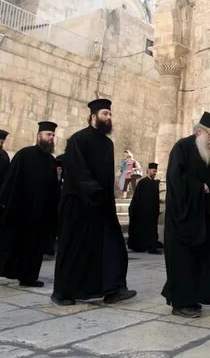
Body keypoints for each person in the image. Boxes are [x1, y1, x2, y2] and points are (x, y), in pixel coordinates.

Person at [52, 99, 136, 306]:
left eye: (110, 114)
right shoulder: (78, 139)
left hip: (102, 205)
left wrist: (106, 198)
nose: (108, 118)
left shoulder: (108, 144)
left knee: (111, 247)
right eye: (105, 114)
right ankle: (62, 293)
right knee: (74, 249)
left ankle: (113, 289)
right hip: (79, 204)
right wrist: (93, 190)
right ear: (93, 116)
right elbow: (77, 170)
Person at [162, 112, 210, 318]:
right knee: (182, 262)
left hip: (202, 218)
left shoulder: (208, 152)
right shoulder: (182, 147)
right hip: (182, 217)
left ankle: (194, 298)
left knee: (201, 261)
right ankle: (180, 303)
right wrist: (197, 187)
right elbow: (175, 179)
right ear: (199, 131)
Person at [0, 121, 60, 287]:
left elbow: (53, 188)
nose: (51, 138)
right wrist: (5, 203)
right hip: (19, 209)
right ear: (39, 136)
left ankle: (28, 278)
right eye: (48, 134)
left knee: (34, 247)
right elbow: (10, 179)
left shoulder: (51, 161)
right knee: (9, 240)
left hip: (39, 213)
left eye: (53, 135)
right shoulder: (24, 154)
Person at [127, 162, 164, 254]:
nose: (154, 173)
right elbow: (137, 198)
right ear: (148, 171)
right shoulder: (142, 183)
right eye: (153, 171)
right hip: (143, 211)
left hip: (152, 211)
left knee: (151, 230)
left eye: (156, 171)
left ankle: (151, 245)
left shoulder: (155, 183)